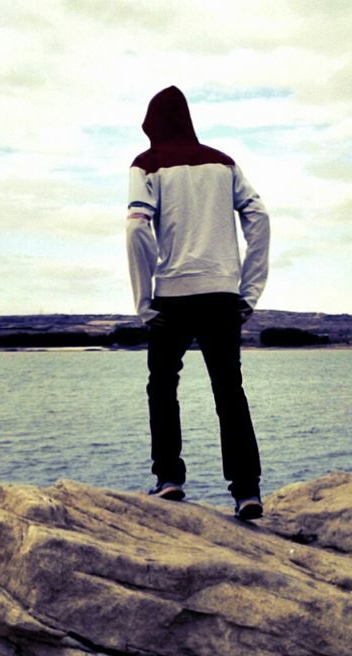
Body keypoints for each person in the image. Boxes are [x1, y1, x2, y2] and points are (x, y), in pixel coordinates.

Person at [126, 85, 270, 520]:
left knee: (163, 387)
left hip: (171, 295)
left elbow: (136, 228)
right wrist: (249, 290)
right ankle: (247, 492)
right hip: (223, 294)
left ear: (153, 126)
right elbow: (259, 217)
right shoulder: (223, 163)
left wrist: (144, 299)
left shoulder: (147, 164)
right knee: (229, 391)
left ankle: (169, 479)